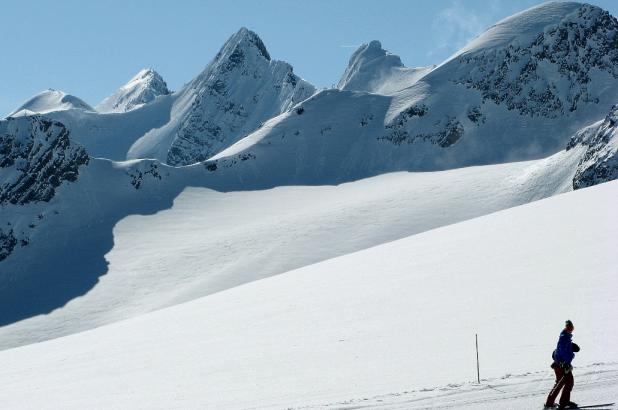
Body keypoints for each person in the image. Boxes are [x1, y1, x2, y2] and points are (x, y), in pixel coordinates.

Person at [545, 320, 580, 409]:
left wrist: (571, 346)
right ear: (566, 328)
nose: (570, 330)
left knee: (569, 382)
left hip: (563, 365)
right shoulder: (564, 337)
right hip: (562, 366)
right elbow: (561, 351)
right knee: (560, 383)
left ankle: (564, 402)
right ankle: (549, 404)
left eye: (571, 328)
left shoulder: (566, 337)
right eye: (569, 328)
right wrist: (563, 363)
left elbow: (562, 350)